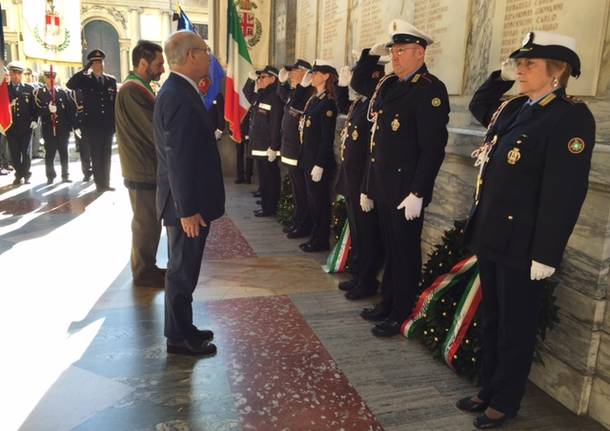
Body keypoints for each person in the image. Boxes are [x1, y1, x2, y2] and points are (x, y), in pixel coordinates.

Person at [456, 31, 595, 429]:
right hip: (494, 235)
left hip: (525, 243)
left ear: (559, 72)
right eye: (520, 61)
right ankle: (488, 387)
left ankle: (505, 400)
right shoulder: (519, 108)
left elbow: (565, 192)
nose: (520, 68)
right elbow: (482, 106)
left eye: (529, 64)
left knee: (516, 325)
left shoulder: (569, 117)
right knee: (494, 318)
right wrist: (499, 78)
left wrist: (547, 252)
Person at [357, 20, 449, 337]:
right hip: (384, 186)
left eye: (402, 51)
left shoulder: (429, 90)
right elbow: (377, 143)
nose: (394, 56)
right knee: (390, 249)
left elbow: (433, 148)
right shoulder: (392, 87)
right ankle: (387, 303)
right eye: (393, 50)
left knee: (405, 253)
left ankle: (401, 312)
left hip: (406, 191)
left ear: (419, 53)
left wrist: (418, 192)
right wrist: (370, 186)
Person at [154, 30, 225, 356]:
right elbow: (178, 159)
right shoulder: (178, 95)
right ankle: (179, 338)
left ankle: (183, 327)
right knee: (182, 272)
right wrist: (187, 210)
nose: (210, 58)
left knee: (185, 270)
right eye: (206, 51)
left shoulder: (181, 90)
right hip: (186, 206)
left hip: (186, 201)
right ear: (191, 55)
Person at [334, 50, 385, 300]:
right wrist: (341, 88)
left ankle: (367, 280)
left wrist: (368, 186)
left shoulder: (376, 105)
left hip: (364, 179)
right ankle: (358, 274)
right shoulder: (362, 103)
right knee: (357, 230)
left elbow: (373, 151)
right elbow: (343, 106)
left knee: (367, 234)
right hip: (352, 177)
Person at [116, 40, 167, 288]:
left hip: (145, 166)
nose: (162, 69)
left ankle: (148, 266)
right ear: (143, 62)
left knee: (150, 221)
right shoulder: (133, 90)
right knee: (146, 222)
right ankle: (144, 272)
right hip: (142, 167)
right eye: (159, 64)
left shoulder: (140, 87)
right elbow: (153, 130)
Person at [298, 60, 338, 252]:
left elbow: (326, 138)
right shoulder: (314, 100)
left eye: (316, 73)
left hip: (317, 162)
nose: (312, 76)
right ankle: (315, 236)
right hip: (308, 160)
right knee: (312, 202)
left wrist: (320, 164)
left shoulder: (328, 103)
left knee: (320, 203)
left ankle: (321, 240)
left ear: (326, 76)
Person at [67, 49, 117, 192]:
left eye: (100, 62)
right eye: (94, 63)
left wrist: (115, 124)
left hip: (107, 125)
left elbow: (113, 104)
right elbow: (70, 84)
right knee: (96, 154)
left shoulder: (110, 80)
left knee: (106, 155)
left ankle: (106, 183)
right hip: (92, 125)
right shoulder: (85, 80)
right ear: (91, 65)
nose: (98, 65)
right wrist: (85, 69)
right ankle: (99, 183)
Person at [277, 59, 314, 239]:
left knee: (302, 191)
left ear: (305, 73)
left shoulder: (307, 92)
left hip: (298, 150)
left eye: (294, 71)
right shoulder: (295, 91)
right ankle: (298, 220)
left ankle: (303, 224)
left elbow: (297, 106)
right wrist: (282, 81)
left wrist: (301, 86)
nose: (291, 74)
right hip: (289, 148)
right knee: (296, 190)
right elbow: (282, 96)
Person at [242, 65, 283, 217]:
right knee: (264, 178)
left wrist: (273, 146)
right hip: (259, 146)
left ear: (273, 79)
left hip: (268, 147)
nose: (260, 80)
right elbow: (247, 93)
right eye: (259, 77)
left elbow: (275, 124)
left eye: (263, 77)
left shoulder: (275, 97)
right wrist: (250, 79)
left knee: (270, 178)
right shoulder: (262, 94)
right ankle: (266, 203)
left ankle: (270, 207)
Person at [33, 69, 77, 184]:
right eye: (48, 78)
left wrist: (74, 126)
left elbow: (69, 111)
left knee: (64, 152)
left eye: (53, 78)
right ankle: (50, 175)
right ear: (45, 78)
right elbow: (36, 110)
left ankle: (65, 175)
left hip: (62, 128)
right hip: (48, 128)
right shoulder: (40, 93)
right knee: (50, 153)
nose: (51, 80)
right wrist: (47, 109)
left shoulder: (62, 92)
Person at [5, 61, 37, 185]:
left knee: (26, 153)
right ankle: (19, 174)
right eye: (14, 73)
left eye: (19, 73)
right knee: (14, 153)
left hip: (26, 126)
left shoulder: (29, 88)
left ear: (22, 74)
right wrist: (8, 105)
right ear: (10, 74)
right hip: (11, 126)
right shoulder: (5, 89)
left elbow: (34, 107)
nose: (16, 76)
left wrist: (35, 120)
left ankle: (26, 174)